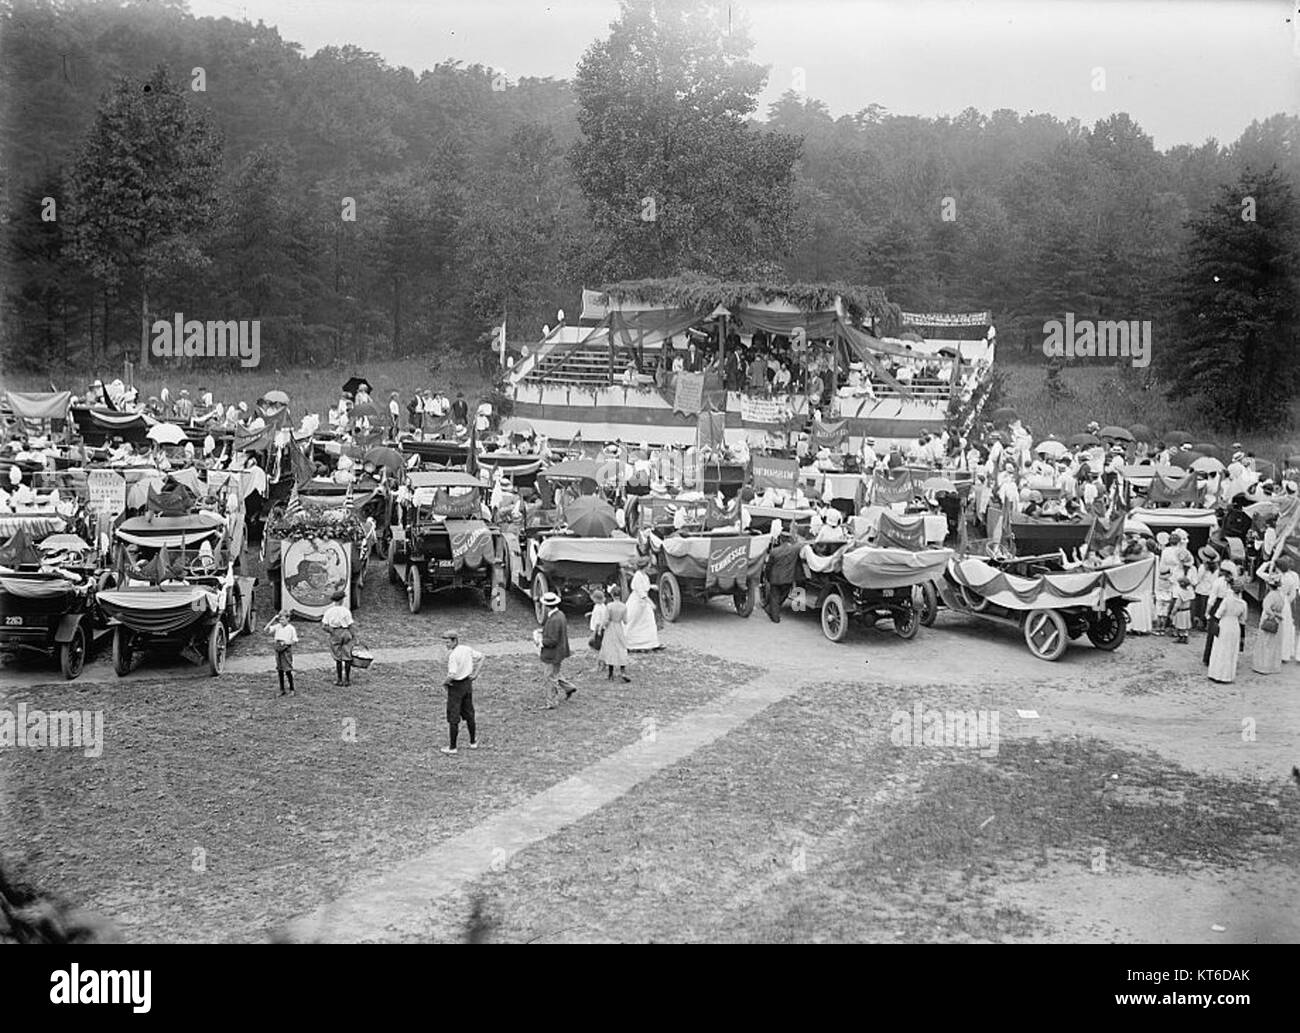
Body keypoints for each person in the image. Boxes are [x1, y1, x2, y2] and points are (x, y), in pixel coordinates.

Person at [440, 630, 484, 755]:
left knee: (453, 717)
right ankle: (473, 742)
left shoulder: (453, 656)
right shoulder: (466, 649)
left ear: (455, 641)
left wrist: (445, 683)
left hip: (456, 687)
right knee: (469, 713)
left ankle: (452, 747)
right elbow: (482, 657)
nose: (446, 645)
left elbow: (452, 674)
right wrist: (475, 674)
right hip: (467, 684)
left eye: (448, 642)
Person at [538, 591, 575, 709]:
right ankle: (568, 687)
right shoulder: (560, 615)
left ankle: (552, 702)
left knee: (549, 677)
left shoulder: (554, 620)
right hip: (560, 651)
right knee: (555, 673)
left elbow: (552, 640)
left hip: (552, 653)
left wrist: (540, 642)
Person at [1208, 579, 1247, 683]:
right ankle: (1227, 676)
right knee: (1231, 650)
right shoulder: (1243, 604)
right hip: (1235, 626)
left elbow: (1218, 614)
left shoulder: (1226, 600)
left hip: (1225, 624)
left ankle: (1216, 673)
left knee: (1220, 648)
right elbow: (1243, 620)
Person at [1251, 570, 1285, 675]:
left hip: (1269, 619)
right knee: (1274, 643)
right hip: (1278, 620)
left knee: (1265, 642)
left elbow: (1267, 608)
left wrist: (1273, 615)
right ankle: (1272, 666)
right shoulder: (1280, 595)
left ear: (1268, 584)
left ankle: (1263, 666)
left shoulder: (1270, 596)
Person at [624, 556, 661, 650]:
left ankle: (650, 644)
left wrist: (651, 586)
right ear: (646, 565)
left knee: (648, 622)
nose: (650, 566)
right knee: (632, 621)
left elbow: (645, 586)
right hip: (637, 602)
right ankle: (628, 643)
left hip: (643, 603)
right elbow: (640, 592)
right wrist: (650, 602)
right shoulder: (637, 576)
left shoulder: (644, 575)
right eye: (649, 564)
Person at [321, 590, 355, 686]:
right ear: (342, 600)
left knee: (338, 657)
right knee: (347, 655)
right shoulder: (346, 611)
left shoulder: (329, 611)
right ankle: (347, 680)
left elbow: (323, 626)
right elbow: (350, 625)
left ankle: (339, 679)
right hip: (345, 632)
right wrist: (354, 636)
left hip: (335, 633)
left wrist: (331, 631)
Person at [600, 584, 631, 682]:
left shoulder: (609, 606)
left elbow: (606, 620)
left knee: (611, 648)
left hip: (611, 628)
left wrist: (602, 627)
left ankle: (610, 674)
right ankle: (623, 670)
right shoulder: (623, 606)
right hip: (619, 627)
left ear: (612, 595)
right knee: (621, 647)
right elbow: (626, 621)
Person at [265, 610, 298, 696]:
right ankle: (282, 689)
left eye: (283, 619)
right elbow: (266, 629)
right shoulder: (277, 626)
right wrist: (273, 619)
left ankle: (292, 689)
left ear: (288, 619)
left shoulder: (291, 628)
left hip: (286, 649)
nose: (281, 621)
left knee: (287, 670)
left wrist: (286, 643)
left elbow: (294, 641)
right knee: (280, 670)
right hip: (278, 648)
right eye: (280, 620)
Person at [1277, 556, 1300, 662]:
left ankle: (1287, 651)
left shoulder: (1291, 576)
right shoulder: (1293, 576)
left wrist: (1287, 601)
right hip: (1290, 601)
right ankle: (1289, 651)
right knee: (1290, 626)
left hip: (1289, 601)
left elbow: (1294, 592)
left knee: (1289, 626)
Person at [587, 587, 608, 672]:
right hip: (603, 629)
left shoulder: (598, 609)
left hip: (598, 630)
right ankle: (603, 663)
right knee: (601, 648)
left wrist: (594, 634)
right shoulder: (602, 606)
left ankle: (599, 665)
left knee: (596, 648)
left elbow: (598, 623)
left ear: (596, 599)